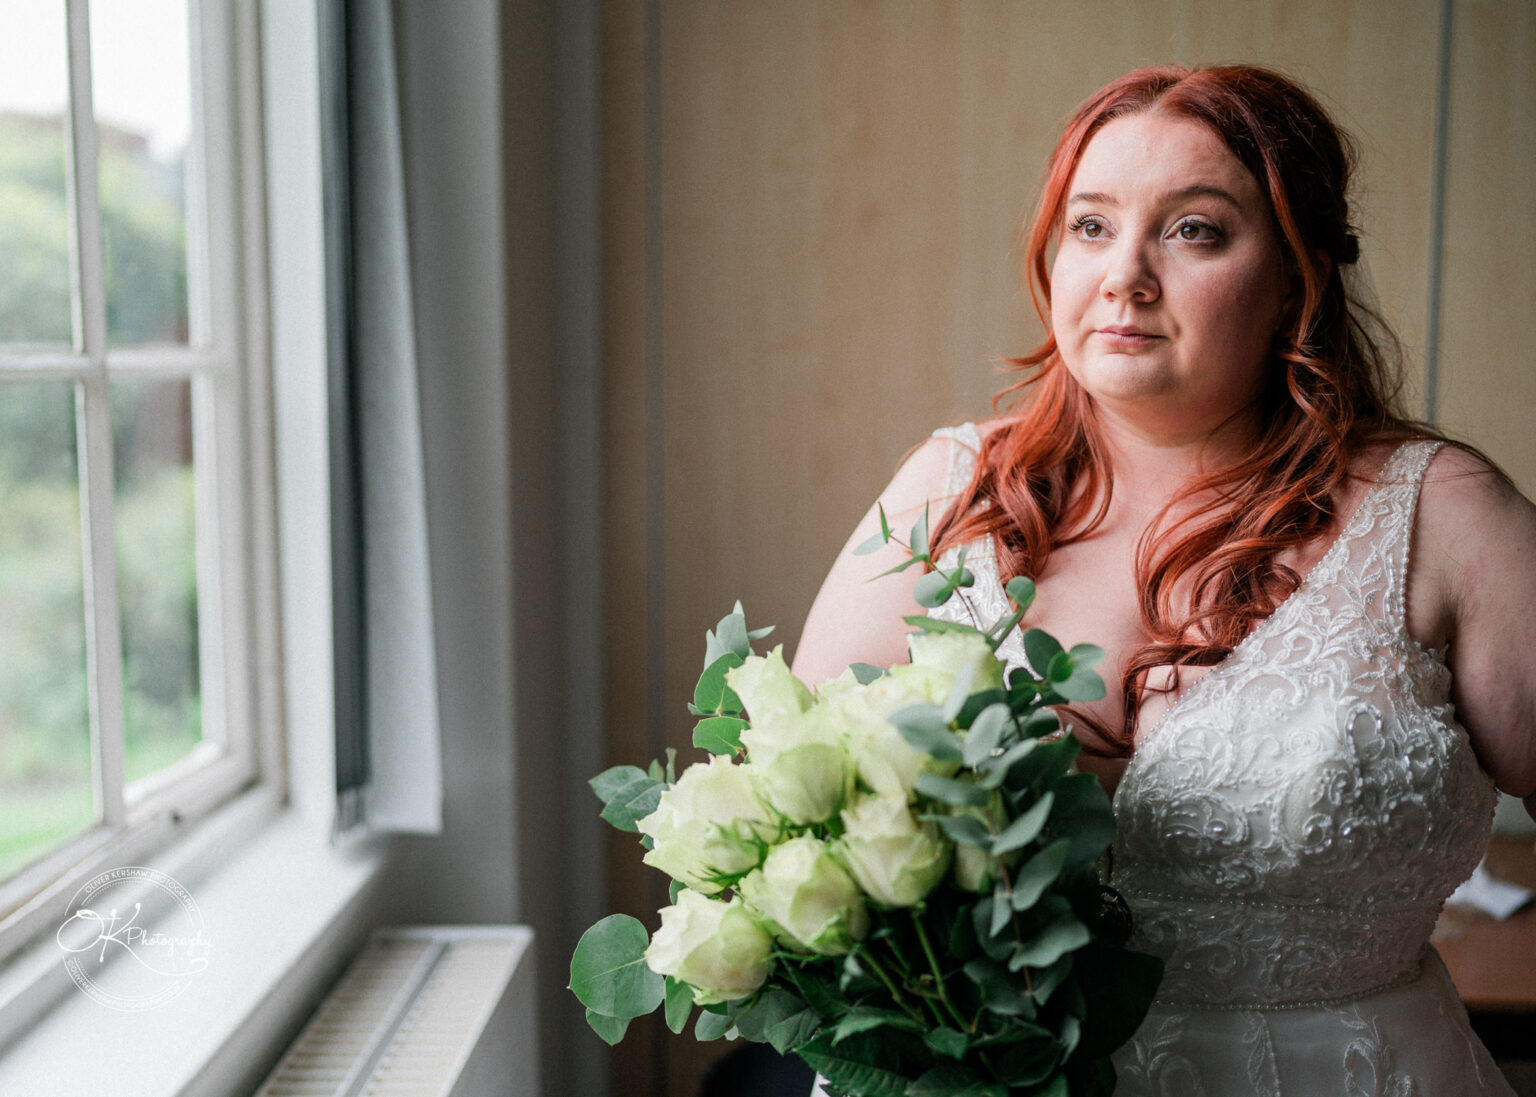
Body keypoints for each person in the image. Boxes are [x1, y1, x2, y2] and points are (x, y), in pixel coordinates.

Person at [793, 65, 1536, 1093]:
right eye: (1091, 227)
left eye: (1194, 230)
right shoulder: (943, 495)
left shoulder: (1444, 517)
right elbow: (785, 831)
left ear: (1298, 276)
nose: (1125, 275)